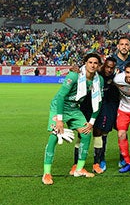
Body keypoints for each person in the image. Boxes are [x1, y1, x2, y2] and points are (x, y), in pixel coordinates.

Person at [42, 53, 104, 185]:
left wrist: (91, 122)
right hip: (59, 107)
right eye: (90, 62)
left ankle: (79, 169)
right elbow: (60, 97)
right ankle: (46, 173)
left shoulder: (99, 80)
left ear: (98, 66)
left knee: (86, 134)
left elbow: (98, 101)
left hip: (74, 108)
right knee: (54, 136)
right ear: (85, 63)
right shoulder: (74, 75)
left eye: (95, 63)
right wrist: (59, 120)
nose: (93, 65)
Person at [91, 57, 118, 173]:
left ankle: (102, 159)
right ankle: (98, 159)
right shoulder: (96, 75)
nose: (109, 70)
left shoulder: (116, 77)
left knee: (106, 132)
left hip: (111, 106)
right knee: (97, 132)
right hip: (97, 106)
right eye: (107, 67)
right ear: (103, 65)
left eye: (112, 68)